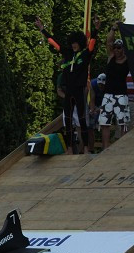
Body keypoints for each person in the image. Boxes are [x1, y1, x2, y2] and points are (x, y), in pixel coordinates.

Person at [35, 16, 101, 154]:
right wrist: (42, 29)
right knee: (69, 121)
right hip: (69, 91)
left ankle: (85, 148)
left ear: (80, 43)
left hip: (79, 90)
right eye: (72, 43)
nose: (73, 45)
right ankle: (70, 148)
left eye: (76, 43)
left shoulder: (85, 55)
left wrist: (96, 29)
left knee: (82, 120)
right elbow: (54, 43)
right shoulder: (68, 53)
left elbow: (92, 43)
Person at [99, 32, 131, 150]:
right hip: (108, 94)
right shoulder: (111, 57)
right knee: (104, 122)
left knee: (123, 123)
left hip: (121, 94)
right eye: (115, 48)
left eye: (119, 48)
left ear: (123, 49)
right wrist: (113, 28)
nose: (116, 50)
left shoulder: (127, 60)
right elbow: (108, 41)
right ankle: (105, 147)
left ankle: (123, 147)